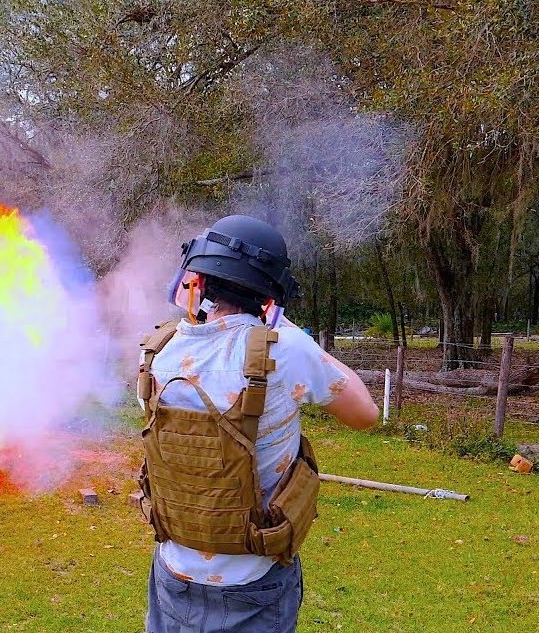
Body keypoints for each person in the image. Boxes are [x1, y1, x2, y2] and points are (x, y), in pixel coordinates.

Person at [136, 215, 378, 633]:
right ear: (271, 291)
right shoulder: (285, 350)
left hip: (173, 571)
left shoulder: (156, 352)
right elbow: (365, 415)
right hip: (254, 577)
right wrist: (288, 333)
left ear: (201, 279)